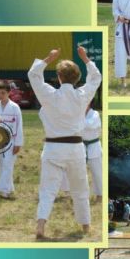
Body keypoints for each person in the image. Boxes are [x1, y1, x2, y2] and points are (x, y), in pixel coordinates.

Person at [28, 46, 102, 239]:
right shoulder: (82, 95)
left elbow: (33, 75)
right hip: (75, 149)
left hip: (53, 148)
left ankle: (41, 225)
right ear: (77, 78)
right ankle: (85, 225)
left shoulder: (50, 95)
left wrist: (48, 58)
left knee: (47, 189)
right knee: (80, 189)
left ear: (59, 77)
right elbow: (96, 78)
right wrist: (85, 59)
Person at [0, 81, 24, 199]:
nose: (1, 95)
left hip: (11, 141)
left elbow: (19, 126)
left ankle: (3, 190)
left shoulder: (15, 107)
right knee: (2, 165)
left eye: (3, 93)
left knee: (8, 164)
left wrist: (18, 143)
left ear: (9, 93)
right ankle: (9, 188)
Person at [81, 101, 102, 201]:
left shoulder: (95, 114)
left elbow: (89, 124)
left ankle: (100, 194)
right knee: (79, 173)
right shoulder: (78, 114)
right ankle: (81, 195)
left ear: (89, 103)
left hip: (94, 146)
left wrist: (74, 122)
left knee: (97, 172)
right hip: (81, 146)